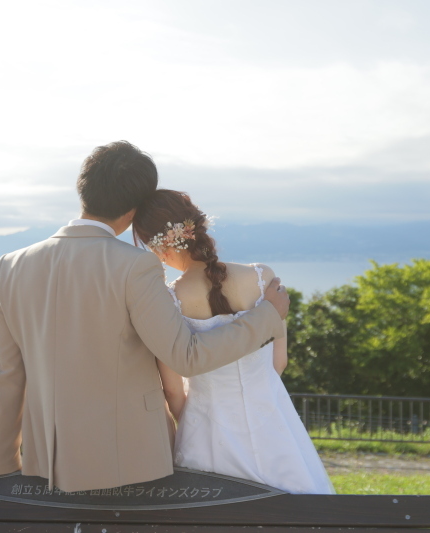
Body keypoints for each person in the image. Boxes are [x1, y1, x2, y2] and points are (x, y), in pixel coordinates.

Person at [0, 141, 290, 493]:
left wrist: (3, 465)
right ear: (134, 209)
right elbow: (186, 356)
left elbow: (6, 377)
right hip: (132, 462)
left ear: (83, 189)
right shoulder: (135, 266)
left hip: (47, 463)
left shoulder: (10, 267)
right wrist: (267, 316)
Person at [132, 189, 334, 495]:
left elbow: (173, 390)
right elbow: (279, 362)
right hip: (272, 419)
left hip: (207, 429)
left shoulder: (168, 299)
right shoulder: (262, 278)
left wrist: (195, 419)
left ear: (162, 246)